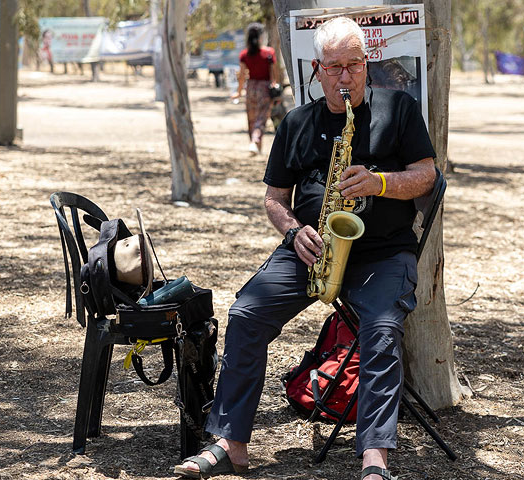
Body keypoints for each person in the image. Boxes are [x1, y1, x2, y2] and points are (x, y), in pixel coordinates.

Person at [175, 16, 436, 480]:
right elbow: (274, 201)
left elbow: (427, 175)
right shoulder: (296, 122)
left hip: (382, 254)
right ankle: (230, 443)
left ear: (366, 63)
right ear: (317, 69)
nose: (344, 77)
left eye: (354, 65)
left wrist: (379, 182)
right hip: (310, 251)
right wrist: (294, 232)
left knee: (379, 331)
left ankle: (375, 459)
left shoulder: (398, 108)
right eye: (334, 67)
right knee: (246, 315)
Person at [230, 23, 278, 155]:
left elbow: (241, 76)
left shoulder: (244, 54)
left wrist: (238, 92)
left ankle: (256, 147)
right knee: (261, 119)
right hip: (264, 89)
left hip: (250, 88)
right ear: (261, 36)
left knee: (251, 119)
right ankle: (255, 142)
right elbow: (274, 73)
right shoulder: (269, 53)